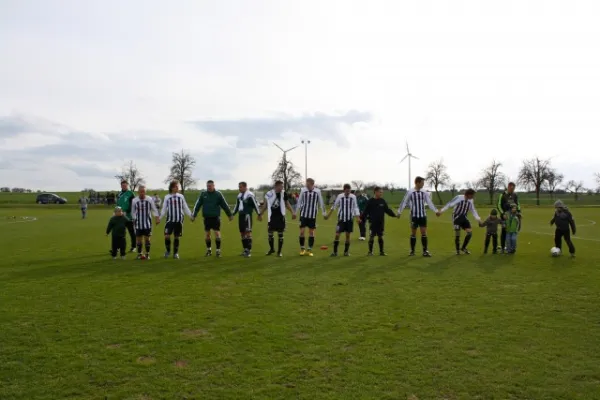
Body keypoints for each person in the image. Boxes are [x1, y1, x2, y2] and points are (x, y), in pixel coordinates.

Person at [397, 176, 438, 256]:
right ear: (417, 183)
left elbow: (429, 202)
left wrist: (435, 211)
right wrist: (399, 212)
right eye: (422, 183)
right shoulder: (410, 192)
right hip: (414, 216)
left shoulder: (424, 192)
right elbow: (404, 201)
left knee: (423, 233)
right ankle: (412, 251)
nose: (423, 184)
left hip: (422, 215)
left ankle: (425, 251)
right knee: (413, 233)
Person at [192, 180, 233, 257]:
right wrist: (194, 215)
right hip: (207, 217)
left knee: (217, 233)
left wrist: (229, 214)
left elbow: (224, 205)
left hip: (215, 217)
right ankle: (209, 250)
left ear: (214, 186)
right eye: (208, 186)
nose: (209, 187)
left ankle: (218, 251)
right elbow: (197, 205)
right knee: (207, 234)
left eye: (210, 186)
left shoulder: (218, 194)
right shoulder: (203, 194)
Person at [437, 188, 481, 255]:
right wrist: (441, 211)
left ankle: (463, 248)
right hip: (456, 217)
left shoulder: (471, 200)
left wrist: (478, 218)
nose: (473, 197)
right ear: (469, 194)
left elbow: (473, 210)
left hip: (464, 218)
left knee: (469, 233)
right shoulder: (459, 197)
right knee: (458, 234)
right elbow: (449, 204)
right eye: (473, 195)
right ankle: (457, 250)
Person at [259, 180, 296, 257]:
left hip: (280, 217)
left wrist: (292, 212)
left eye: (282, 186)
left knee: (280, 234)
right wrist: (260, 214)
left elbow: (287, 203)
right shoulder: (269, 194)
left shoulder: (283, 193)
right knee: (270, 234)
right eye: (281, 186)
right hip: (271, 217)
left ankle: (279, 251)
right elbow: (265, 205)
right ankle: (272, 249)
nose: (282, 188)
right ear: (276, 186)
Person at [160, 180, 194, 259]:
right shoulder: (167, 197)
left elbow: (185, 207)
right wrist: (160, 218)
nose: (177, 188)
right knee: (167, 236)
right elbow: (164, 209)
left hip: (179, 220)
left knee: (176, 237)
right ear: (172, 188)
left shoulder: (181, 196)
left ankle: (175, 253)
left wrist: (191, 216)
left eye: (178, 186)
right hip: (170, 220)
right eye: (176, 186)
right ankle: (168, 251)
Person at [325, 183, 361, 256]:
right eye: (347, 191)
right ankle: (335, 252)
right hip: (341, 219)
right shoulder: (340, 196)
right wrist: (328, 215)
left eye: (349, 191)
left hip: (349, 219)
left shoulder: (353, 197)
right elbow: (334, 206)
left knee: (347, 236)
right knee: (337, 234)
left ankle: (346, 252)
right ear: (344, 190)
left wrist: (358, 218)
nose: (348, 192)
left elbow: (355, 208)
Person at [362, 186, 396, 256]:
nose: (381, 193)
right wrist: (361, 219)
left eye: (382, 192)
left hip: (380, 222)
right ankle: (370, 252)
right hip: (372, 222)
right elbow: (365, 212)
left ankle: (381, 252)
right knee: (371, 236)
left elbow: (387, 210)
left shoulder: (382, 201)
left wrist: (394, 215)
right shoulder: (370, 201)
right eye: (380, 192)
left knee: (380, 236)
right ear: (376, 192)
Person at [296, 178, 327, 256]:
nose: (307, 185)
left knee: (311, 232)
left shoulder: (317, 191)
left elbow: (321, 202)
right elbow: (299, 201)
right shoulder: (303, 190)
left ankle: (309, 250)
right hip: (303, 214)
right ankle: (302, 249)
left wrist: (324, 213)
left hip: (312, 215)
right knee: (302, 231)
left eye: (308, 184)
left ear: (312, 184)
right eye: (306, 184)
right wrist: (295, 212)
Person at [232, 182, 261, 257]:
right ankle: (245, 249)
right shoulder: (239, 196)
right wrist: (232, 214)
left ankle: (249, 250)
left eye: (241, 187)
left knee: (248, 232)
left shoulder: (250, 195)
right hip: (241, 216)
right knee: (242, 233)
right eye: (239, 187)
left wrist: (259, 214)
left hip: (247, 215)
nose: (239, 188)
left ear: (245, 187)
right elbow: (237, 206)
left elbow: (255, 205)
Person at [131, 185, 160, 259]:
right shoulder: (134, 200)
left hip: (147, 224)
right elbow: (133, 211)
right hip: (138, 224)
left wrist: (156, 217)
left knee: (147, 239)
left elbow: (154, 209)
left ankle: (147, 254)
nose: (142, 193)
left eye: (143, 192)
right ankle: (139, 254)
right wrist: (133, 219)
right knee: (138, 239)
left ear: (145, 192)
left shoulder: (149, 199)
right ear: (138, 192)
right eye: (140, 192)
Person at [497, 182, 521, 253]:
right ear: (508, 187)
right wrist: (502, 214)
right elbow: (498, 205)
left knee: (513, 231)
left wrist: (518, 212)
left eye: (513, 189)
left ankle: (510, 248)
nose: (512, 190)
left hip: (513, 216)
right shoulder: (502, 195)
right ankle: (502, 247)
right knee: (504, 231)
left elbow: (518, 204)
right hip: (505, 216)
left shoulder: (515, 195)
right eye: (511, 188)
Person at [116, 180, 137, 253]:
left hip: (129, 216)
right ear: (121, 186)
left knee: (132, 232)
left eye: (125, 185)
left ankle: (134, 247)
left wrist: (127, 211)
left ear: (127, 185)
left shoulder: (131, 193)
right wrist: (116, 212)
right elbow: (117, 205)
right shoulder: (119, 194)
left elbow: (133, 205)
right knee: (120, 232)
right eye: (123, 185)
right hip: (120, 217)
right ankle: (118, 247)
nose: (124, 186)